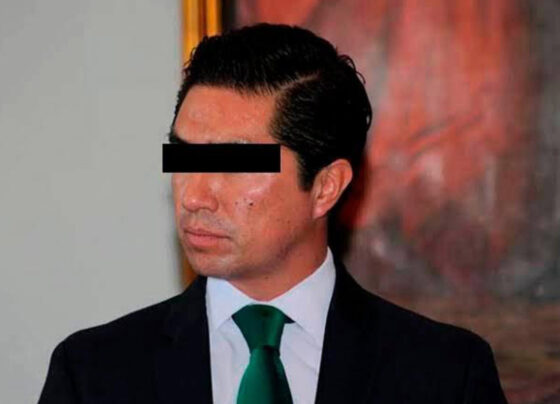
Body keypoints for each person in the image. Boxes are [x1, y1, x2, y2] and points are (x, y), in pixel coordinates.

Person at [39, 24, 507, 403]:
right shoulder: (92, 373)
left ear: (325, 187)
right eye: (184, 158)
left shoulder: (447, 375)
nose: (195, 196)